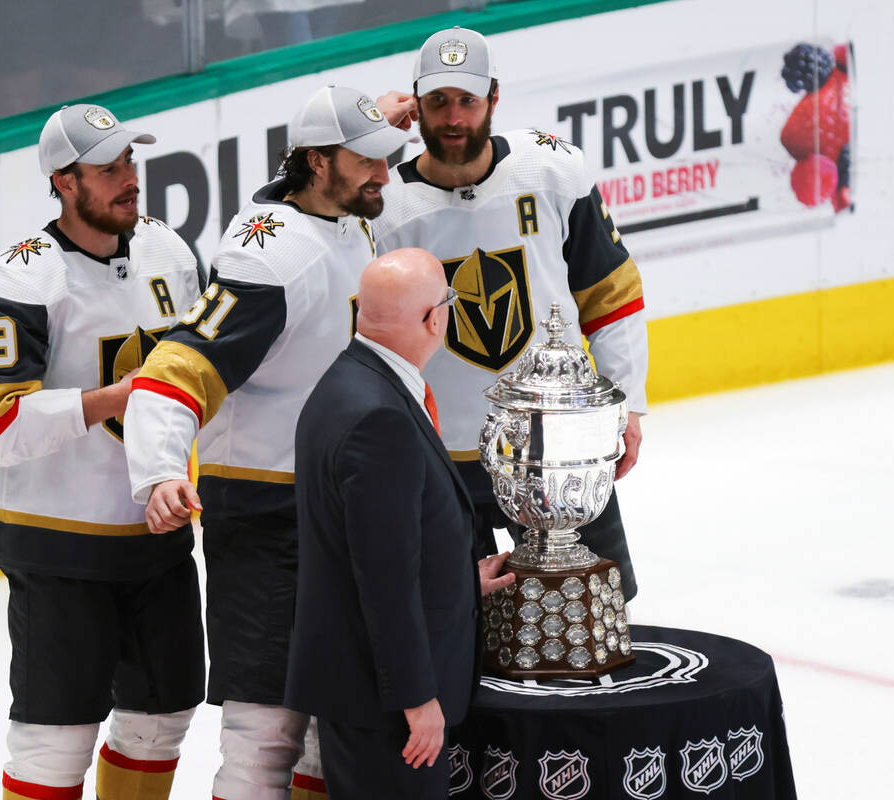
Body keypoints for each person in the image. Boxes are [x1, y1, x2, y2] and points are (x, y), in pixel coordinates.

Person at [123, 85, 411, 799]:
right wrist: (159, 469)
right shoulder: (273, 259)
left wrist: (371, 127)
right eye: (367, 160)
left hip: (329, 507)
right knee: (266, 734)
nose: (384, 173)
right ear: (317, 161)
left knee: (325, 728)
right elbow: (176, 368)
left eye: (388, 158)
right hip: (267, 516)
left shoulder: (345, 214)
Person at [0, 103, 205, 800]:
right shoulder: (19, 279)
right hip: (56, 549)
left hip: (156, 539)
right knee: (54, 742)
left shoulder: (166, 251)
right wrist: (110, 400)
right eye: (109, 168)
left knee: (162, 717)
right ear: (64, 182)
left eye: (131, 162)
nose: (130, 179)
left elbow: (203, 371)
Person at [373, 27, 649, 602]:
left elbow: (611, 294)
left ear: (494, 99)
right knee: (460, 631)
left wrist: (626, 402)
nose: (454, 117)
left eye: (468, 101)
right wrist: (370, 130)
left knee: (590, 614)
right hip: (440, 457)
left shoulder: (550, 169)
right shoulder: (382, 207)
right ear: (414, 106)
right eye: (438, 101)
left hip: (558, 441)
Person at [285, 248, 515, 799]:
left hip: (366, 690)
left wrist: (461, 585)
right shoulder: (379, 418)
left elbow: (373, 548)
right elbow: (383, 579)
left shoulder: (348, 383)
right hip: (385, 704)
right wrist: (417, 699)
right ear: (433, 319)